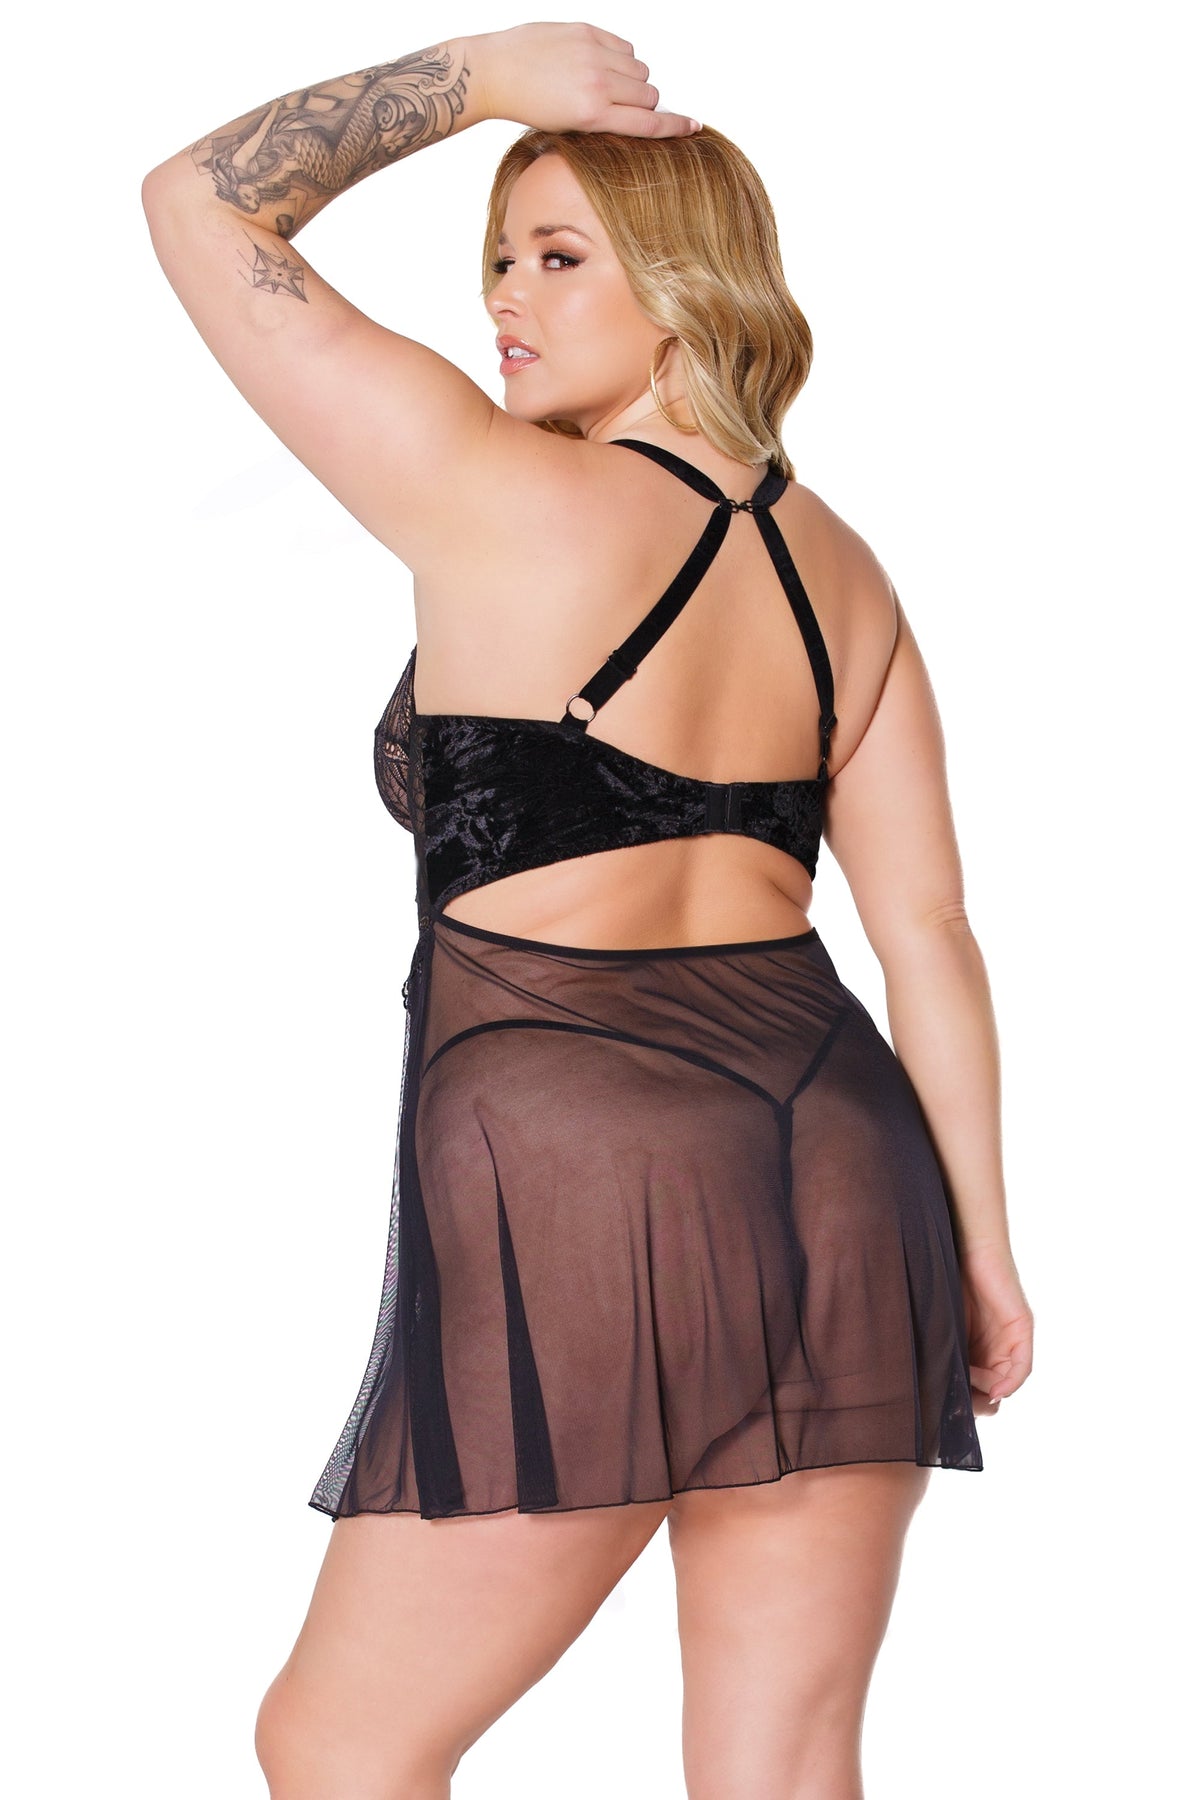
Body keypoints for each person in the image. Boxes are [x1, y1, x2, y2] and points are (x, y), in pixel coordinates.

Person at [143, 21, 1033, 1798]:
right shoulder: (848, 573)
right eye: (498, 257)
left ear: (689, 283)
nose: (505, 298)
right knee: (783, 1764)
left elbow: (196, 200)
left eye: (559, 256)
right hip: (853, 1173)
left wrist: (488, 78)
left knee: (339, 1742)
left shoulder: (490, 489)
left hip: (590, 1170)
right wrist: (985, 1256)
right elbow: (927, 935)